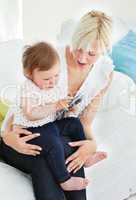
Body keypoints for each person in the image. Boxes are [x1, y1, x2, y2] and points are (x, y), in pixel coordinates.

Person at [0, 10, 114, 200]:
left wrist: (91, 145)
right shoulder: (51, 58)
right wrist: (8, 137)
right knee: (51, 154)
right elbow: (23, 108)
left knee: (68, 147)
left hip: (55, 134)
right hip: (21, 136)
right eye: (79, 48)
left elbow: (84, 123)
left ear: (104, 49)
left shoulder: (103, 74)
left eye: (92, 53)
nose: (82, 58)